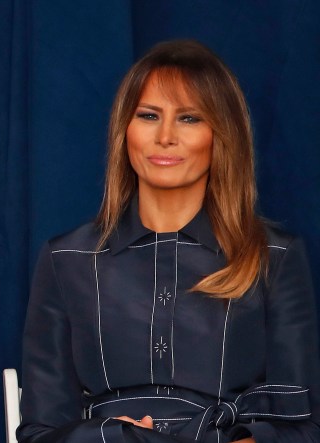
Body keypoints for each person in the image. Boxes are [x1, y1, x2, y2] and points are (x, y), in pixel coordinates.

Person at [18, 40, 320, 443]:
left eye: (189, 118)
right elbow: (41, 432)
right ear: (125, 130)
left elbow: (302, 426)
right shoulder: (66, 258)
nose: (165, 137)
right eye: (148, 115)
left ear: (221, 135)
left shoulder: (275, 256)